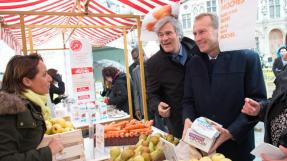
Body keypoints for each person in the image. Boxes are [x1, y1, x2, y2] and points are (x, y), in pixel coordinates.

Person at [182, 13, 267, 161]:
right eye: (195, 33)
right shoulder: (192, 64)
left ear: (219, 30)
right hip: (204, 149)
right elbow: (188, 100)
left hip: (238, 148)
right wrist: (187, 119)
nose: (197, 38)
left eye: (202, 32)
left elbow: (258, 101)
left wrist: (231, 131)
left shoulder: (248, 58)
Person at [0, 54, 63, 161]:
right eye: (44, 74)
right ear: (27, 81)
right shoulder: (11, 110)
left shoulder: (29, 105)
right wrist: (48, 151)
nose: (50, 78)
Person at [145, 16, 200, 138]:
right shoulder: (153, 64)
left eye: (168, 33)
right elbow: (151, 94)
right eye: (160, 35)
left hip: (204, 118)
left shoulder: (198, 51)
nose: (164, 38)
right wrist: (158, 106)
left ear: (179, 34)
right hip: (179, 123)